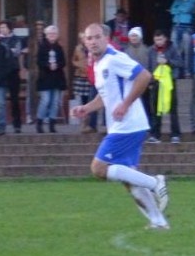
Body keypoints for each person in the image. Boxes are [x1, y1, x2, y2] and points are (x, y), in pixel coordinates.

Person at [70, 21, 169, 229]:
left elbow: (144, 76)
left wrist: (125, 104)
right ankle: (158, 221)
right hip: (123, 125)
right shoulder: (97, 64)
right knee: (128, 179)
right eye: (89, 38)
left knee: (98, 168)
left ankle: (155, 182)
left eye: (98, 37)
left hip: (128, 125)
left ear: (107, 39)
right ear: (85, 42)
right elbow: (105, 95)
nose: (93, 41)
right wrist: (86, 108)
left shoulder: (115, 58)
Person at [33, 24, 67, 133]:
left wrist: (57, 65)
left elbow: (63, 62)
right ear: (46, 35)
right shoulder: (42, 47)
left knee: (55, 102)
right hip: (45, 78)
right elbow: (39, 61)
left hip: (57, 78)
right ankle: (39, 122)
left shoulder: (59, 48)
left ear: (57, 35)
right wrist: (48, 65)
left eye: (54, 33)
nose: (52, 35)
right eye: (50, 34)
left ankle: (52, 124)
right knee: (46, 100)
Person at [0, 20, 27, 132]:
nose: (2, 29)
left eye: (4, 27)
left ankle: (17, 124)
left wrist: (6, 51)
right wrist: (9, 50)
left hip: (13, 71)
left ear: (9, 28)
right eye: (0, 27)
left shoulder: (16, 39)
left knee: (14, 98)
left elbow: (16, 52)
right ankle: (1, 124)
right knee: (0, 99)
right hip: (1, 72)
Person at [169, 0, 195, 76]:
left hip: (187, 27)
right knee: (175, 50)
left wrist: (178, 8)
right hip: (176, 25)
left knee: (187, 50)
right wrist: (181, 8)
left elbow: (188, 9)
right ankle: (177, 72)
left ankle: (187, 71)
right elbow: (172, 10)